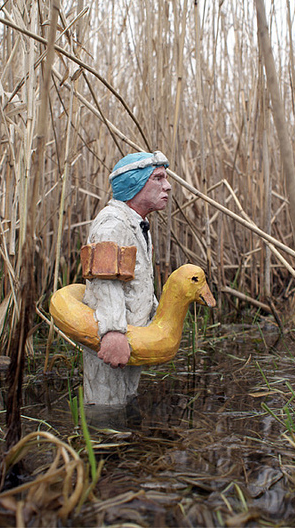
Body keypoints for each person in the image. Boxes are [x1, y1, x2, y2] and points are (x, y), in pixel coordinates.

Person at [81, 151, 172, 406]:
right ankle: (102, 443)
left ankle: (124, 444)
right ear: (135, 182)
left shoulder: (137, 223)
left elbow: (138, 278)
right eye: (158, 178)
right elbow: (105, 281)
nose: (167, 185)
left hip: (132, 334)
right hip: (114, 337)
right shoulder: (112, 225)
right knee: (105, 403)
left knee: (125, 399)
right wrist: (112, 333)